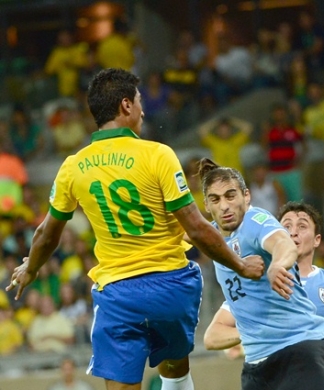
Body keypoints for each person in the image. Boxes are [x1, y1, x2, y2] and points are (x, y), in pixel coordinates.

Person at [5, 68, 265, 390]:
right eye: (140, 101)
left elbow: (47, 233)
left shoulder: (73, 167)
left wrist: (30, 267)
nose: (143, 110)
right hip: (171, 286)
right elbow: (196, 228)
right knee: (175, 369)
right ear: (126, 106)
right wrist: (240, 264)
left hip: (118, 293)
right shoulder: (158, 155)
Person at [204, 200, 324, 390]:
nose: (293, 231)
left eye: (302, 226)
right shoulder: (256, 281)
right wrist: (255, 331)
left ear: (317, 240)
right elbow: (212, 337)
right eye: (286, 225)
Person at [194, 158, 324, 390]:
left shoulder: (255, 221)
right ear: (207, 205)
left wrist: (277, 266)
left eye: (230, 196)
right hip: (257, 365)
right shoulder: (211, 236)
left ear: (246, 196)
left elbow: (284, 244)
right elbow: (211, 338)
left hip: (298, 349)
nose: (224, 206)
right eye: (216, 199)